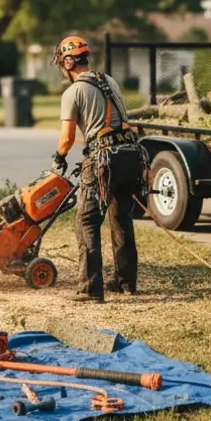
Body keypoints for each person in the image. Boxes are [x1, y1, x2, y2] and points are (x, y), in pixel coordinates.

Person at [50, 36, 149, 303]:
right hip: (130, 155)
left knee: (86, 221)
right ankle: (125, 282)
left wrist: (59, 158)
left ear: (68, 62)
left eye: (61, 64)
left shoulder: (73, 92)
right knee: (121, 218)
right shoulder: (109, 81)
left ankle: (90, 289)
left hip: (103, 159)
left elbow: (67, 139)